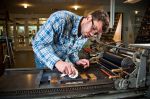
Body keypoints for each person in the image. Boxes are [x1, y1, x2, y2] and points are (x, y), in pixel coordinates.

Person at [32, 9, 109, 76]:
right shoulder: (61, 18)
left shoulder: (85, 34)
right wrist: (57, 62)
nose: (92, 34)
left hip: (62, 62)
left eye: (96, 33)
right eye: (93, 28)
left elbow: (72, 51)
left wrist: (76, 60)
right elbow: (39, 44)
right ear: (89, 18)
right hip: (44, 60)